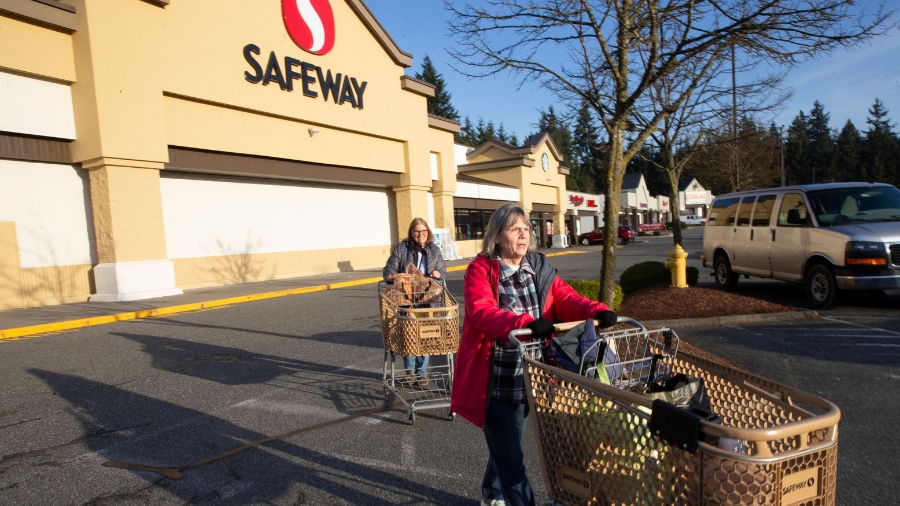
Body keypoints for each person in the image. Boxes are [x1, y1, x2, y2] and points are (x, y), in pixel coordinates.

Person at [450, 203, 617, 506]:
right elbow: (482, 313)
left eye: (526, 229)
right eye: (515, 229)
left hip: (532, 375)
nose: (523, 235)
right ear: (498, 237)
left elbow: (567, 298)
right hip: (495, 380)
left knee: (508, 444)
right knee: (512, 458)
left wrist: (598, 310)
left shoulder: (538, 267)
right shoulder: (481, 270)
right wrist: (526, 324)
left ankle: (491, 491)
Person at [382, 217, 447, 387]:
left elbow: (442, 271)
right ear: (412, 233)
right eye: (417, 231)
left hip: (427, 300)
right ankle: (410, 372)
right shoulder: (402, 249)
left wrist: (438, 275)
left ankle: (422, 373)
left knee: (424, 336)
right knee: (409, 335)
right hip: (407, 300)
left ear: (428, 233)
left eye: (424, 231)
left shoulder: (434, 250)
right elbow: (390, 268)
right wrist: (390, 275)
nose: (421, 234)